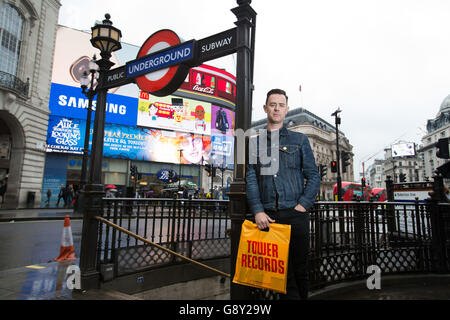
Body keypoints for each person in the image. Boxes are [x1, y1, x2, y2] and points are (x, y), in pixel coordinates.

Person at [245, 88, 320, 300]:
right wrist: (258, 210)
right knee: (279, 274)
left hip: (295, 214)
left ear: (286, 109)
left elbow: (313, 175)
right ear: (265, 108)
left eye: (280, 105)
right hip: (269, 216)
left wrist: (303, 205)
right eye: (272, 104)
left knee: (300, 271)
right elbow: (251, 177)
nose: (276, 108)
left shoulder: (300, 140)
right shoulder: (254, 142)